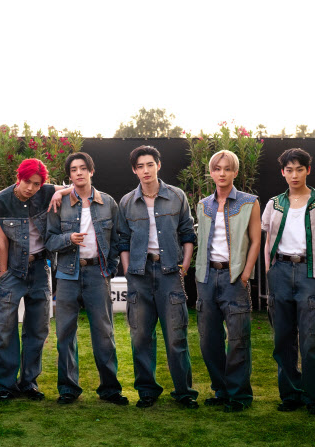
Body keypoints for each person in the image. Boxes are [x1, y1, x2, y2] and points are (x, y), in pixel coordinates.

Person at [117, 145, 199, 409]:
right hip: (139, 274)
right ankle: (147, 392)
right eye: (140, 166)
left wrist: (185, 266)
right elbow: (123, 240)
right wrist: (128, 271)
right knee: (141, 337)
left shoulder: (176, 196)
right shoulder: (127, 202)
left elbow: (188, 232)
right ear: (134, 170)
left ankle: (184, 392)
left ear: (158, 165)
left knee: (176, 337)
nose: (146, 170)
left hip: (170, 273)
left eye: (150, 164)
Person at [45, 152, 128, 405]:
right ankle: (68, 389)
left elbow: (117, 240)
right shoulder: (60, 202)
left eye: (83, 168)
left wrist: (109, 269)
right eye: (73, 169)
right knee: (65, 334)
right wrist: (68, 239)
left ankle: (110, 389)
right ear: (69, 175)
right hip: (67, 275)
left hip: (97, 273)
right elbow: (49, 240)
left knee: (104, 333)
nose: (78, 172)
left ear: (91, 171)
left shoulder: (108, 202)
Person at [262, 148, 315, 416]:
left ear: (308, 170)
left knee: (311, 339)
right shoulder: (274, 204)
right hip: (280, 271)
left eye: (299, 169)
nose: (294, 175)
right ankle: (290, 394)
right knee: (283, 338)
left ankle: (313, 396)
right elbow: (268, 240)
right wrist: (269, 269)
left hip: (310, 273)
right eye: (289, 170)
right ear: (282, 172)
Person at [0, 158, 72, 402]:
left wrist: (59, 193)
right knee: (5, 329)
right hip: (13, 272)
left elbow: (77, 187)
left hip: (40, 270)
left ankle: (29, 383)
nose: (31, 188)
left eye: (37, 184)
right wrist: (4, 273)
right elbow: (2, 241)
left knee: (38, 330)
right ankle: (5, 385)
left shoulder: (46, 192)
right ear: (19, 177)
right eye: (27, 182)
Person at [194, 150, 261, 412]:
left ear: (235, 172)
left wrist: (245, 274)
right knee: (208, 340)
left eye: (227, 169)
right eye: (217, 169)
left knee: (238, 340)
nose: (222, 173)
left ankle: (239, 395)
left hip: (234, 278)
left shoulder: (249, 202)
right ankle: (221, 391)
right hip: (206, 278)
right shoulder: (203, 205)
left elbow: (255, 241)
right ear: (211, 172)